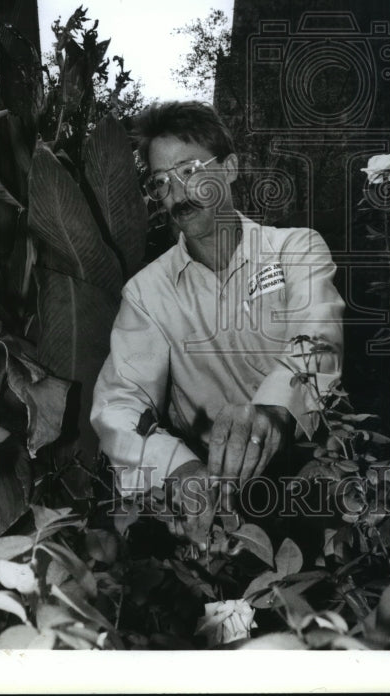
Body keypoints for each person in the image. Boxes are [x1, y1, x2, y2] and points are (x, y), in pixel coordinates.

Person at [91, 101, 344, 546]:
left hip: (312, 463)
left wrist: (271, 413)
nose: (177, 195)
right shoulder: (147, 293)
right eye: (161, 182)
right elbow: (119, 401)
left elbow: (318, 339)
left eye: (189, 171)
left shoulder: (296, 250)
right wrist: (179, 469)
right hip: (209, 485)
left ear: (229, 169)